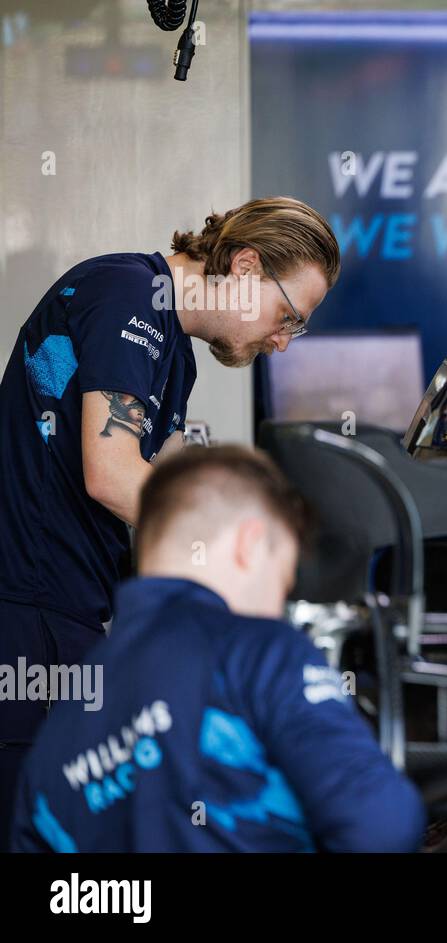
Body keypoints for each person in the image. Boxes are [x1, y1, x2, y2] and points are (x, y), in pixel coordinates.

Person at [0, 197, 339, 845]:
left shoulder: (174, 354)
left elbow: (172, 510)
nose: (282, 340)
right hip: (22, 609)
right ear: (244, 266)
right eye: (289, 316)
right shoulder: (129, 294)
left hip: (71, 611)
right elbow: (115, 473)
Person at [8, 445, 426, 852]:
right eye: (281, 579)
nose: (276, 606)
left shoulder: (53, 742)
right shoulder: (262, 653)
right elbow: (383, 825)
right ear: (250, 543)